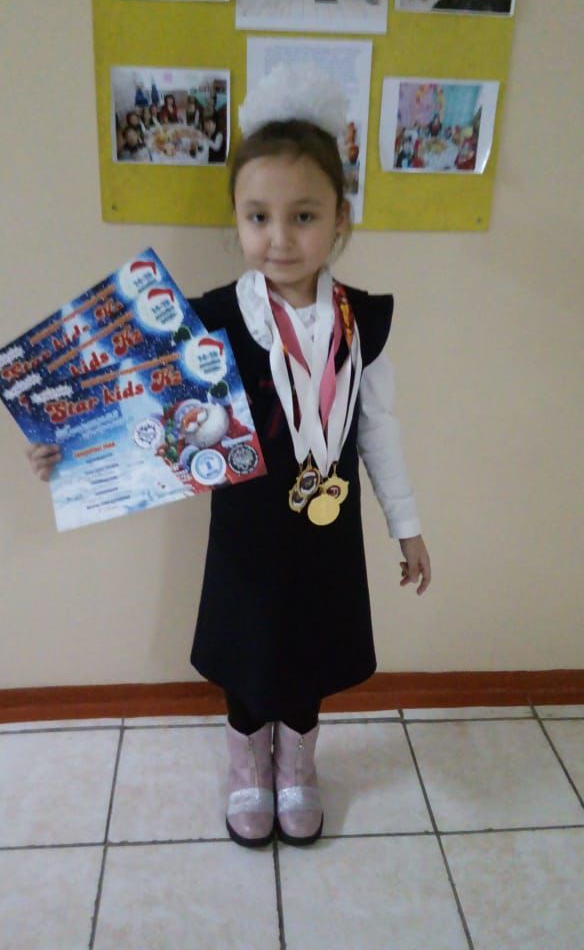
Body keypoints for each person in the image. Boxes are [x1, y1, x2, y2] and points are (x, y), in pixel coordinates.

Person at [26, 65, 431, 852]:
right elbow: (138, 405)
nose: (279, 237)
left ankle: (298, 764)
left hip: (328, 527)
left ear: (339, 220)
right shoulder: (205, 320)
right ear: (238, 221)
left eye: (303, 215)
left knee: (312, 648)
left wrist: (406, 525)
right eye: (258, 216)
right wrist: (68, 448)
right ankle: (249, 760)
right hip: (246, 530)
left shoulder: (364, 321)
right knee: (249, 650)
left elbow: (379, 429)